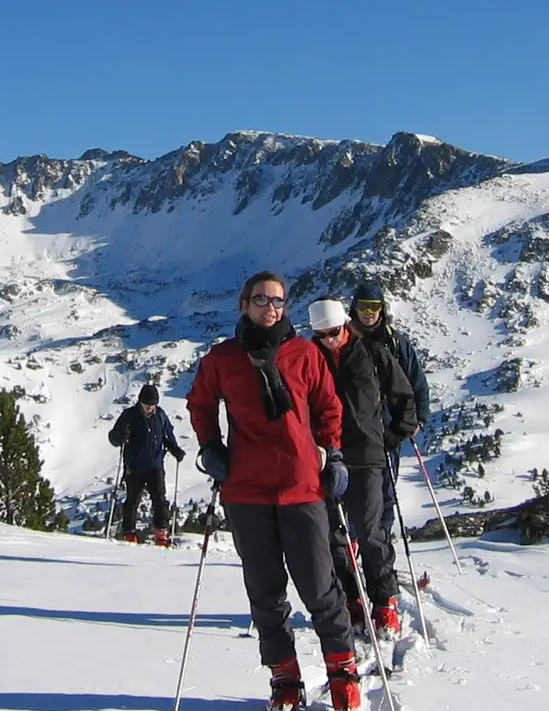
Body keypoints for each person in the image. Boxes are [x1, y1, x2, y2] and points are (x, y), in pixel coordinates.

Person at [188, 271, 362, 711]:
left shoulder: (304, 354)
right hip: (246, 490)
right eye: (262, 299)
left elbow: (328, 406)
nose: (271, 308)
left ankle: (342, 671)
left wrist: (334, 452)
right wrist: (211, 446)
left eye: (279, 301)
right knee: (265, 593)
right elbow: (201, 403)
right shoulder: (223, 358)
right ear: (244, 304)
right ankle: (285, 677)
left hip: (302, 487)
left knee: (321, 589)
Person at [307, 298, 418, 636]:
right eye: (322, 334)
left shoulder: (371, 352)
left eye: (334, 332)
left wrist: (397, 431)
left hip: (368, 454)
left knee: (370, 531)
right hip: (326, 455)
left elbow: (402, 392)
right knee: (333, 535)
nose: (329, 340)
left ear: (346, 325)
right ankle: (351, 598)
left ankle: (384, 600)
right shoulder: (309, 358)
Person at [351, 281, 430, 548]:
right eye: (364, 306)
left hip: (389, 432)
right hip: (354, 432)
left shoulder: (396, 342)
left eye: (374, 307)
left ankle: (380, 549)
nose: (369, 312)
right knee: (354, 494)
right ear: (355, 308)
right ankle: (354, 550)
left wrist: (418, 418)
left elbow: (416, 381)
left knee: (386, 494)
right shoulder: (346, 341)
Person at [107, 383, 185, 545]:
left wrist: (175, 449)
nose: (149, 408)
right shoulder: (129, 415)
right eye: (146, 405)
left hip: (155, 464)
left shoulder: (160, 415)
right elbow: (114, 438)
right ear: (140, 402)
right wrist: (122, 436)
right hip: (134, 465)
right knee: (132, 500)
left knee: (159, 497)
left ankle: (161, 532)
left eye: (152, 405)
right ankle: (129, 532)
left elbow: (167, 435)